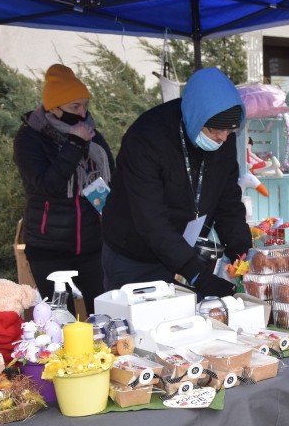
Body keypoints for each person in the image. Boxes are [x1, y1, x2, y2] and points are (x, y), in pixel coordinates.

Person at [101, 67, 252, 298]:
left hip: (184, 254)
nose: (223, 138)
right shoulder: (147, 138)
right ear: (195, 118)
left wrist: (240, 248)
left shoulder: (223, 139)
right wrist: (196, 274)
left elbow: (228, 201)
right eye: (216, 130)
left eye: (230, 131)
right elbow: (150, 219)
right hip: (134, 257)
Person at [13, 64, 114, 315]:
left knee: (100, 314)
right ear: (53, 108)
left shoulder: (93, 136)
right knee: (59, 319)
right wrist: (74, 144)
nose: (82, 113)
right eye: (74, 107)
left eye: (84, 105)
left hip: (92, 245)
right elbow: (47, 185)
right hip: (49, 249)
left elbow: (111, 179)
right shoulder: (30, 138)